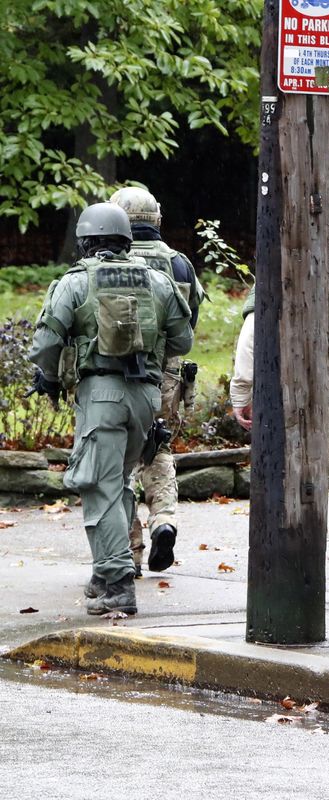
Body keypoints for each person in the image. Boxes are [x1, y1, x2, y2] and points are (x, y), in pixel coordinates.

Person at [26, 203, 193, 615]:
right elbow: (183, 341)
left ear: (85, 241)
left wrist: (49, 375)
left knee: (98, 488)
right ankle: (105, 574)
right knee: (116, 483)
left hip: (101, 395)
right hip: (145, 398)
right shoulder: (156, 280)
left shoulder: (76, 282)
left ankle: (118, 583)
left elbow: (46, 343)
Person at [230, 220, 329, 587]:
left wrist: (242, 394)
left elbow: (252, 338)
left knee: (288, 483)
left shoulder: (281, 268)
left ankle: (289, 579)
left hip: (293, 401)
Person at [109, 186, 205, 576]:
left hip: (119, 372)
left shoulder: (112, 258)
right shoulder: (179, 264)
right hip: (165, 373)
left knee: (118, 460)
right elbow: (190, 324)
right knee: (158, 446)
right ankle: (164, 519)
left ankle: (129, 550)